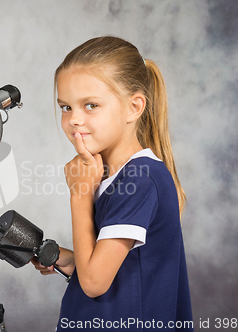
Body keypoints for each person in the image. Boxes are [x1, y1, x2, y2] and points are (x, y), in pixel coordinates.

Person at [31, 36, 193, 331]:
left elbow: (94, 283)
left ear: (134, 108)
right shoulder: (110, 175)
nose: (74, 120)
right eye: (66, 107)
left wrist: (80, 195)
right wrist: (72, 260)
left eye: (90, 105)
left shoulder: (140, 178)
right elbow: (117, 265)